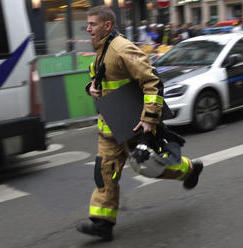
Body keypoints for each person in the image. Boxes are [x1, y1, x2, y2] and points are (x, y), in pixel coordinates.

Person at [76, 6, 204, 241]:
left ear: (107, 25)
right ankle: (102, 223)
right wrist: (91, 88)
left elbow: (151, 80)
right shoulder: (102, 49)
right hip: (109, 130)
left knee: (150, 168)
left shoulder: (122, 48)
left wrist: (149, 117)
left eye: (92, 24)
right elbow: (103, 81)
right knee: (105, 173)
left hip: (132, 126)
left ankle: (190, 170)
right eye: (88, 24)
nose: (88, 28)